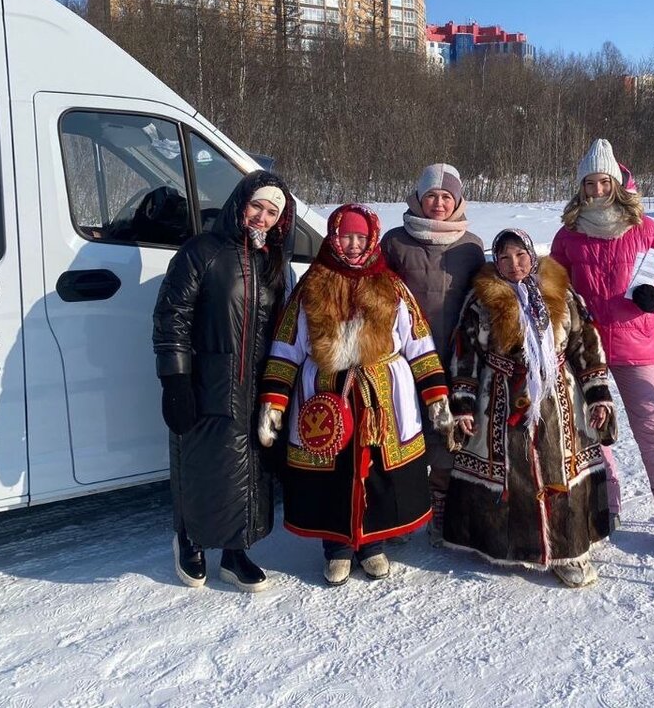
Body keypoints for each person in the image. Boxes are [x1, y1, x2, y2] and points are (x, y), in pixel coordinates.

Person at [258, 204, 451, 586]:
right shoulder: (311, 285)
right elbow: (286, 346)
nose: (352, 244)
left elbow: (418, 343)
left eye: (360, 237)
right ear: (332, 236)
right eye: (345, 235)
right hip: (326, 397)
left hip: (382, 396)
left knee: (376, 470)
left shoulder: (391, 286)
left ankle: (372, 545)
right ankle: (337, 548)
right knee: (332, 474)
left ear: (371, 239)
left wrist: (436, 397)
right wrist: (274, 403)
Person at [550, 139, 654, 560]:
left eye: (602, 182)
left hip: (636, 342)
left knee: (653, 430)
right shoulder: (569, 234)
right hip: (589, 346)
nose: (596, 190)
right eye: (589, 183)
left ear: (615, 184)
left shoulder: (645, 229)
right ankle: (606, 504)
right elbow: (556, 284)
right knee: (592, 426)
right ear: (580, 187)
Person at [443, 229, 616, 587]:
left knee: (559, 468)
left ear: (532, 255)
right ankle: (506, 546)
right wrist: (463, 404)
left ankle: (568, 551)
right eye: (504, 258)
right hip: (501, 397)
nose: (514, 264)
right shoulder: (480, 300)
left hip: (558, 396)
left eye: (520, 256)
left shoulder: (562, 294)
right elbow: (465, 353)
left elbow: (585, 342)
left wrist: (598, 394)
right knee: (512, 472)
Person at [153, 170, 294, 592]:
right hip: (207, 379)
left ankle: (236, 551)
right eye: (257, 207)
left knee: (250, 469)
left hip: (257, 382)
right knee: (202, 465)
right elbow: (171, 316)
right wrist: (174, 379)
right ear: (240, 203)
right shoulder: (202, 251)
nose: (263, 218)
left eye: (272, 212)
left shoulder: (272, 260)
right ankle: (190, 541)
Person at [381, 163, 485, 546]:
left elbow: (484, 297)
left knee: (446, 432)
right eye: (431, 196)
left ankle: (440, 508)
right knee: (402, 429)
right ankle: (401, 512)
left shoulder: (470, 244)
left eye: (446, 196)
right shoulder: (395, 241)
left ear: (457, 200)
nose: (438, 203)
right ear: (418, 198)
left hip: (455, 354)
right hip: (403, 358)